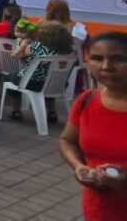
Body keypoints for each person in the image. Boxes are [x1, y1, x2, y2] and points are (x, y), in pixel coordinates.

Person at [59, 32, 127, 220]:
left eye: (119, 59)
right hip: (99, 210)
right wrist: (78, 166)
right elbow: (67, 141)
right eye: (97, 58)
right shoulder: (86, 100)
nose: (106, 67)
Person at [8, 21, 74, 122]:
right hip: (58, 84)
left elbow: (17, 56)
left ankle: (16, 111)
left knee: (12, 76)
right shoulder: (69, 50)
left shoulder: (36, 46)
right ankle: (52, 112)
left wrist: (22, 45)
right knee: (49, 79)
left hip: (34, 83)